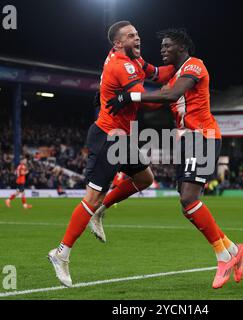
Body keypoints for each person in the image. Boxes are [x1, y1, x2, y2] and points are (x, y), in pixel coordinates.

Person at [105, 28, 243, 289]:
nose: (162, 50)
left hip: (203, 137)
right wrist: (120, 75)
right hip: (187, 141)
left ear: (181, 47)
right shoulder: (173, 76)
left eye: (167, 46)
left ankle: (222, 256)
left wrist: (129, 95)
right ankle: (234, 250)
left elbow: (169, 96)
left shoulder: (194, 65)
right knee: (186, 204)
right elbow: (153, 81)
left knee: (188, 198)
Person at [47, 20, 175, 287]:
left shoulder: (132, 60)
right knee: (92, 197)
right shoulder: (123, 64)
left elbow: (156, 73)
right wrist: (172, 94)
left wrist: (183, 65)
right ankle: (61, 252)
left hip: (123, 137)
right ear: (118, 43)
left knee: (144, 179)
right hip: (108, 137)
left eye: (138, 34)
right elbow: (147, 99)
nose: (137, 38)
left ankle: (100, 212)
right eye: (131, 36)